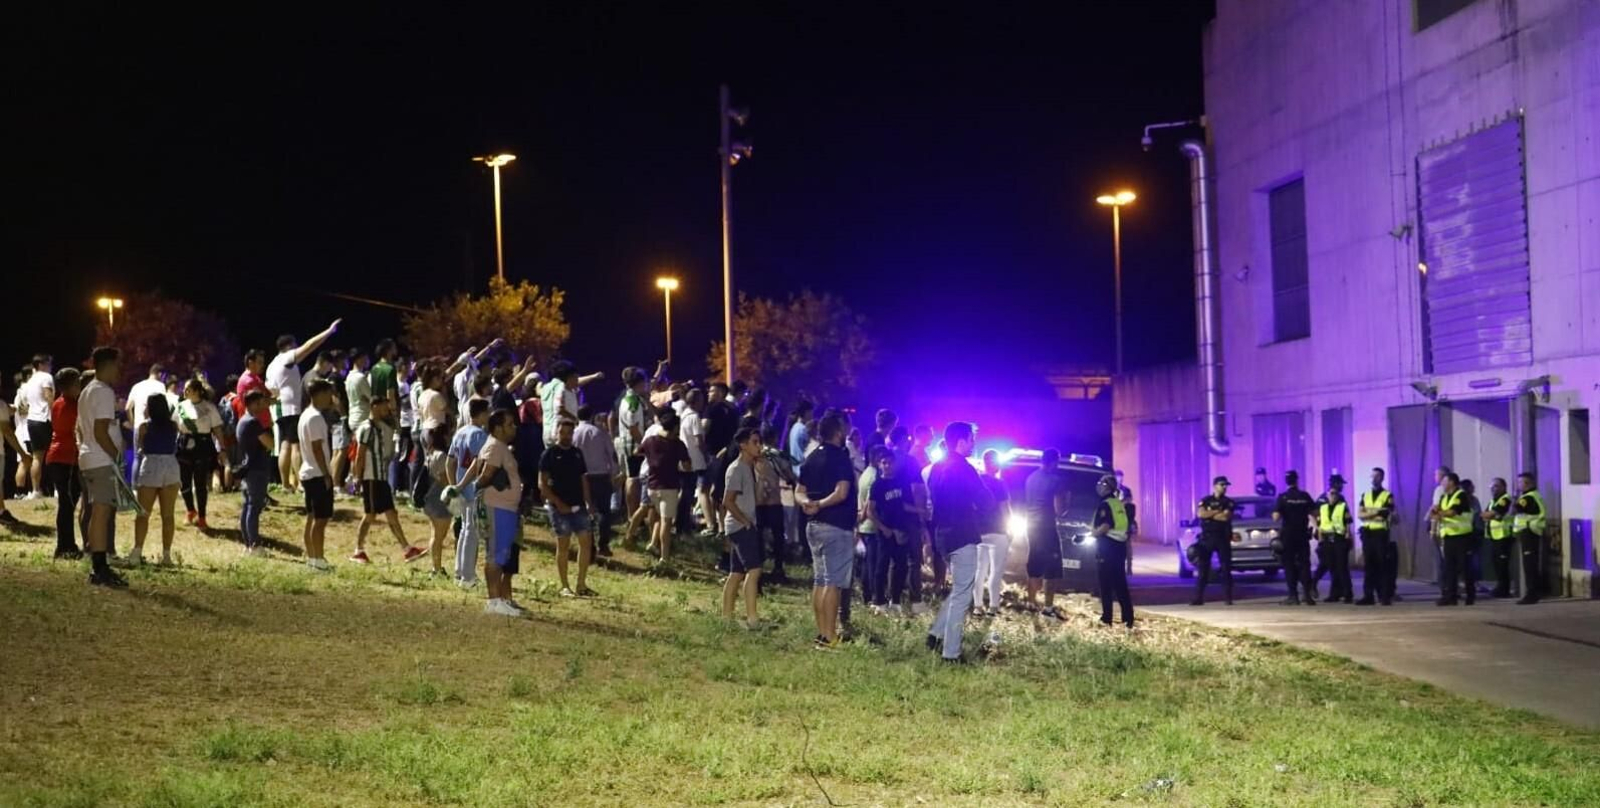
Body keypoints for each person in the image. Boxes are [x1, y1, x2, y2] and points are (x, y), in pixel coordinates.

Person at [924, 421, 988, 664]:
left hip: (943, 535)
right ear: (961, 441)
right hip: (962, 534)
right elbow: (985, 499)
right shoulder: (964, 468)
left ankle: (935, 634)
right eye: (972, 439)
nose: (974, 443)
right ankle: (951, 653)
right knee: (963, 594)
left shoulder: (936, 467)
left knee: (958, 588)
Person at [798, 413, 857, 650]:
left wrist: (807, 503)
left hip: (814, 526)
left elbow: (799, 490)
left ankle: (822, 633)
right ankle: (830, 637)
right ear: (839, 431)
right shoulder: (840, 458)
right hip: (836, 526)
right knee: (833, 583)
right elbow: (842, 492)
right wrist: (821, 503)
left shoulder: (811, 457)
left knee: (820, 580)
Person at [266, 321, 341, 494]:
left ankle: (285, 484)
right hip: (291, 408)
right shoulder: (286, 358)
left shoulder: (271, 365)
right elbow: (309, 347)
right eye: (294, 346)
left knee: (284, 445)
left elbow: (270, 388)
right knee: (295, 446)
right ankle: (300, 483)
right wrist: (328, 332)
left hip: (278, 408)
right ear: (289, 346)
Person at [351, 397, 427, 564]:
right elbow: (360, 455)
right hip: (371, 477)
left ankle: (407, 549)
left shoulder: (379, 427)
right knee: (369, 515)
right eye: (384, 406)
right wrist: (357, 477)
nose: (387, 410)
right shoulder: (366, 428)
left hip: (380, 478)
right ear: (375, 406)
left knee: (391, 514)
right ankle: (358, 550)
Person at [465, 409, 525, 617]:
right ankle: (493, 600)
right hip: (498, 507)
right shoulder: (495, 447)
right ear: (498, 428)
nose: (513, 428)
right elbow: (486, 473)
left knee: (501, 553)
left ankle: (498, 598)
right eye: (509, 424)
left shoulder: (498, 446)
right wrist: (473, 489)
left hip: (505, 507)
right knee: (496, 554)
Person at [77, 347, 127, 587]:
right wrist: (117, 456)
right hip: (100, 459)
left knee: (97, 511)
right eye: (118, 365)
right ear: (108, 365)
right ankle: (100, 567)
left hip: (88, 457)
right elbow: (100, 431)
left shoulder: (87, 391)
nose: (120, 370)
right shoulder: (104, 392)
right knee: (102, 512)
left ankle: (99, 563)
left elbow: (83, 429)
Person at [540, 417, 597, 597]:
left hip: (578, 505)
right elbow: (542, 485)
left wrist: (588, 502)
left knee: (585, 542)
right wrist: (558, 504)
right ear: (556, 433)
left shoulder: (577, 454)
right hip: (558, 508)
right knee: (563, 545)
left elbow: (583, 479)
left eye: (569, 433)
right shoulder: (549, 454)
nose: (565, 436)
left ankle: (581, 583)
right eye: (562, 433)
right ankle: (564, 585)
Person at [721, 427, 768, 628]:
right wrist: (745, 521)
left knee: (737, 573)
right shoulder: (737, 468)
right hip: (740, 526)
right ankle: (752, 617)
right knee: (754, 570)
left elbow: (756, 499)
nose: (759, 446)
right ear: (743, 445)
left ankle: (727, 617)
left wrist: (761, 477)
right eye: (755, 442)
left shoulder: (749, 468)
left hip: (744, 523)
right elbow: (727, 501)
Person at [130, 393, 181, 566]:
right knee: (168, 515)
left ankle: (137, 551)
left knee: (143, 513)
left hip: (151, 464)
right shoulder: (173, 426)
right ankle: (166, 555)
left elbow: (140, 447)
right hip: (170, 466)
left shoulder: (144, 427)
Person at [447, 399, 492, 586]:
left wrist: (454, 485)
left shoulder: (460, 432)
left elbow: (450, 461)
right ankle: (467, 576)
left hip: (461, 487)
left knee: (466, 529)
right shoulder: (479, 435)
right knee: (471, 531)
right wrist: (465, 484)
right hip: (473, 488)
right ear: (481, 414)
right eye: (486, 413)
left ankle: (460, 571)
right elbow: (477, 463)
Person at [867, 447, 915, 615]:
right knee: (881, 566)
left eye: (889, 462)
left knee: (901, 566)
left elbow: (904, 505)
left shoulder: (901, 482)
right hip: (885, 532)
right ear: (879, 465)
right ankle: (878, 601)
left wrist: (920, 511)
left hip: (900, 530)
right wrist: (883, 528)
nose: (887, 466)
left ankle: (895, 600)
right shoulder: (877, 485)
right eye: (884, 463)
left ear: (894, 463)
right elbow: (870, 511)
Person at [1022, 449, 1070, 618]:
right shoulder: (1056, 480)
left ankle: (1031, 601)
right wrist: (1066, 501)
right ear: (1054, 461)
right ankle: (1048, 607)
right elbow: (1059, 510)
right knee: (1053, 568)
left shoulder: (1031, 478)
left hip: (1031, 526)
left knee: (1034, 563)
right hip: (1047, 527)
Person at [639, 410, 691, 563]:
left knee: (659, 517)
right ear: (675, 428)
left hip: (652, 486)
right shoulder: (677, 444)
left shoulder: (650, 441)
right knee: (667, 522)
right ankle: (665, 556)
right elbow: (687, 465)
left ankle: (652, 543)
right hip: (669, 486)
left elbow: (637, 452)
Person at [297, 379, 338, 571]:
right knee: (320, 520)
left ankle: (313, 558)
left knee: (312, 517)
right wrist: (326, 474)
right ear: (320, 394)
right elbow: (317, 449)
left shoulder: (306, 415)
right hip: (316, 473)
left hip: (308, 472)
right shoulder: (315, 418)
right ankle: (318, 559)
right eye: (328, 393)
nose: (331, 398)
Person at [175, 378, 225, 530]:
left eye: (188, 389)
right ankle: (190, 509)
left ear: (197, 391)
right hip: (184, 445)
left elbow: (217, 429)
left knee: (200, 482)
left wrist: (222, 448)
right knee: (184, 481)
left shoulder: (209, 408)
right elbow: (175, 426)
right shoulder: (181, 407)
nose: (185, 392)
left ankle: (202, 516)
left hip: (202, 445)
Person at [44, 367, 82, 557]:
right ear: (68, 386)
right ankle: (65, 546)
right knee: (67, 504)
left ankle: (67, 544)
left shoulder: (59, 403)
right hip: (64, 458)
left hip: (60, 457)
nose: (80, 387)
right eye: (77, 383)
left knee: (68, 504)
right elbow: (75, 431)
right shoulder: (68, 405)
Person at [572, 405, 618, 557]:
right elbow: (610, 454)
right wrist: (613, 473)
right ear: (591, 416)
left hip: (581, 477)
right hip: (600, 475)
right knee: (604, 511)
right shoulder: (600, 432)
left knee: (585, 512)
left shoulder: (574, 433)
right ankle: (603, 544)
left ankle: (589, 547)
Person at [974, 449, 1012, 617]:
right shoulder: (999, 484)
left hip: (978, 531)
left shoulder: (975, 482)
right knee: (996, 572)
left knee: (979, 571)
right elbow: (1005, 509)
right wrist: (1009, 529)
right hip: (997, 531)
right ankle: (993, 606)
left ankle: (977, 606)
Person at [236, 390, 274, 555]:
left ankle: (247, 543)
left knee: (248, 506)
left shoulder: (243, 421)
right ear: (252, 404)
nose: (262, 406)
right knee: (254, 506)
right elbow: (270, 443)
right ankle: (255, 544)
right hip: (257, 468)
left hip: (248, 467)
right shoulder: (252, 422)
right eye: (259, 403)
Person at [1094, 473, 1134, 628]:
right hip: (1119, 548)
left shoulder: (1105, 505)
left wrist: (1092, 534)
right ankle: (1128, 619)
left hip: (1107, 548)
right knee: (1120, 585)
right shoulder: (1118, 504)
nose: (1098, 486)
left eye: (1101, 483)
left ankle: (1107, 618)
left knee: (1105, 586)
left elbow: (1105, 526)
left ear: (1106, 487)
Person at [1271, 471, 1317, 605]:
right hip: (1302, 534)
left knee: (1289, 565)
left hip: (1288, 535)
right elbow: (1315, 513)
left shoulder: (1283, 497)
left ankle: (1293, 596)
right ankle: (1307, 596)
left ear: (1286, 482)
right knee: (1305, 564)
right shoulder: (1304, 495)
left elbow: (1276, 517)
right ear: (1297, 480)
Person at [1431, 472, 1475, 606]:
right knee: (1449, 568)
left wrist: (1439, 513)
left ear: (1451, 482)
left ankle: (1470, 595)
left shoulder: (1460, 495)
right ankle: (1451, 596)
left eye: (1444, 481)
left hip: (1462, 536)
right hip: (1449, 536)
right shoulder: (1444, 497)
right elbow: (1435, 512)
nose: (1442, 484)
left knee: (1464, 567)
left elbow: (1453, 511)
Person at [1191, 476, 1236, 606]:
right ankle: (1198, 598)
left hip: (1222, 537)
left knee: (1226, 568)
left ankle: (1228, 598)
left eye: (1226, 485)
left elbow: (1225, 517)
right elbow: (1201, 514)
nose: (1225, 487)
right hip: (1208, 538)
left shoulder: (1229, 502)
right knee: (1203, 568)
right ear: (1215, 486)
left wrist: (1210, 513)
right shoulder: (1206, 500)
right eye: (1222, 485)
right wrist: (1217, 511)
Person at [1356, 468, 1396, 606]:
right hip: (1368, 533)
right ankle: (1368, 596)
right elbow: (1360, 515)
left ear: (1382, 478)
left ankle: (1384, 596)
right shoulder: (1365, 495)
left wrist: (1370, 512)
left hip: (1380, 534)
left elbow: (1386, 514)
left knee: (1382, 565)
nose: (1373, 478)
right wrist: (1377, 511)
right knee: (1369, 566)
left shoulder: (1387, 495)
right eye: (1372, 476)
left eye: (1377, 476)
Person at [417, 427, 454, 576]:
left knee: (436, 535)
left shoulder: (430, 455)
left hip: (430, 499)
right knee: (438, 536)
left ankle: (436, 567)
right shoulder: (441, 456)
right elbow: (444, 479)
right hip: (439, 500)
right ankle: (436, 568)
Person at [539, 360, 603, 444]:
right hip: (561, 431)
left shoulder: (545, 388)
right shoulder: (561, 386)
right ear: (568, 376)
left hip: (547, 430)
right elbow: (559, 408)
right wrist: (576, 420)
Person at [18, 354, 54, 499]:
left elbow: (23, 406)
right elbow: (49, 397)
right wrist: (55, 416)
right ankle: (57, 488)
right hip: (45, 419)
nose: (50, 367)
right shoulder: (46, 377)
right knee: (53, 455)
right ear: (41, 365)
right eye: (49, 364)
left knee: (37, 457)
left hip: (31, 421)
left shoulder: (29, 382)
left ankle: (35, 490)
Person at [679, 388, 713, 537]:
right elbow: (699, 441)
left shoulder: (683, 416)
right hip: (696, 461)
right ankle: (684, 526)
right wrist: (707, 456)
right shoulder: (694, 418)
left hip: (685, 459)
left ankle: (683, 523)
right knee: (694, 493)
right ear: (697, 402)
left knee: (685, 494)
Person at [1513, 472, 1547, 605]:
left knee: (1529, 565)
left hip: (1529, 532)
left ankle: (1531, 594)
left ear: (1528, 483)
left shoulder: (1527, 497)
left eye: (1520, 482)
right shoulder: (1535, 495)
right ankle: (1534, 592)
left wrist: (1515, 500)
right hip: (1532, 532)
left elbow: (1515, 509)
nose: (1518, 485)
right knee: (1531, 564)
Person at [1317, 479, 1354, 603]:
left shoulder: (1342, 505)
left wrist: (1349, 535)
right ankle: (1335, 594)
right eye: (1331, 493)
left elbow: (1348, 522)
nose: (1333, 496)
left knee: (1342, 568)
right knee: (1332, 568)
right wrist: (1320, 539)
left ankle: (1348, 594)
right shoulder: (1323, 507)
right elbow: (1320, 523)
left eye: (1335, 494)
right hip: (1328, 540)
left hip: (1340, 539)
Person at [1483, 477, 1516, 598]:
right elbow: (1485, 514)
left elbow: (1494, 514)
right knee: (1496, 564)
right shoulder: (1493, 501)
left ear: (1503, 487)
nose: (1493, 489)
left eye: (1496, 486)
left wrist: (1491, 515)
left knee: (1502, 565)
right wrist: (1490, 515)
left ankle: (1504, 589)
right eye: (1491, 487)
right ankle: (1500, 587)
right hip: (1494, 536)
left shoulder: (1505, 499)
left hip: (1504, 536)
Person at [344, 346, 373, 433]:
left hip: (353, 416)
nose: (367, 360)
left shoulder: (349, 377)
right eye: (365, 357)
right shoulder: (360, 377)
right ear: (359, 359)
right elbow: (371, 397)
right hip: (362, 418)